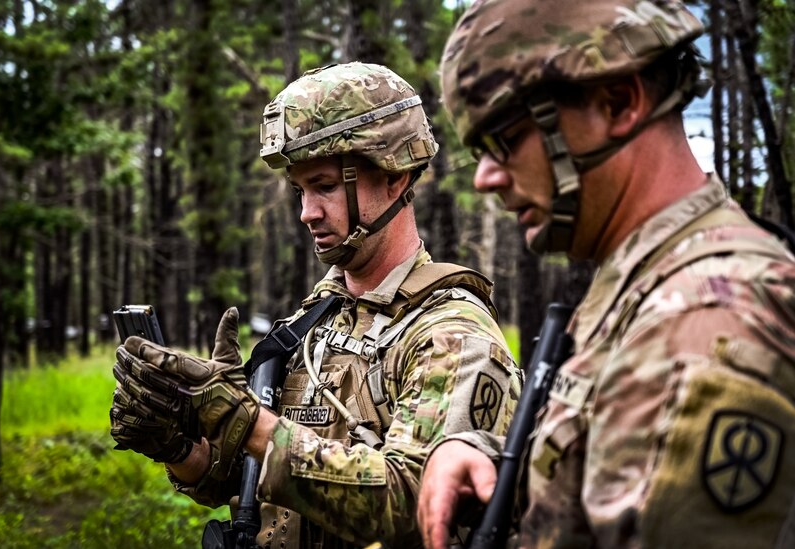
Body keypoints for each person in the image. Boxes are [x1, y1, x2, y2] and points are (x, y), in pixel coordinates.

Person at [417, 1, 795, 547]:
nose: (485, 178)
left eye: (503, 138)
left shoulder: (705, 324)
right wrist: (486, 458)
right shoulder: (647, 285)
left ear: (617, 104)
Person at [110, 61, 522, 549]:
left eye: (325, 186)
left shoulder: (451, 334)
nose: (306, 212)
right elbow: (248, 488)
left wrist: (250, 425)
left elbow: (415, 502)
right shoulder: (312, 325)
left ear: (395, 174)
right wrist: (182, 446)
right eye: (300, 190)